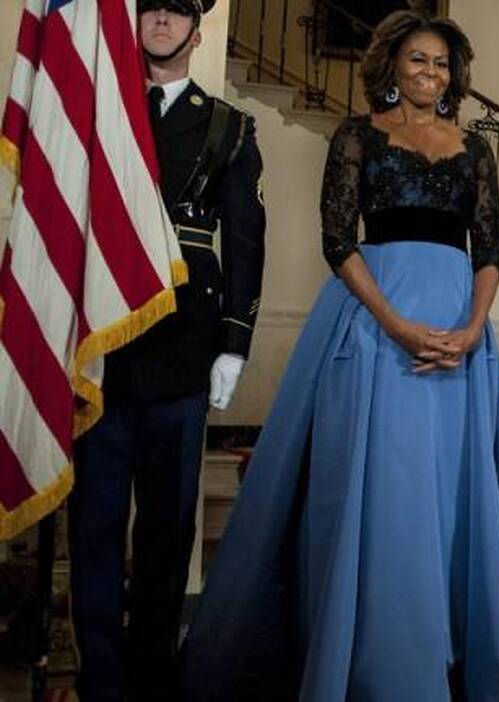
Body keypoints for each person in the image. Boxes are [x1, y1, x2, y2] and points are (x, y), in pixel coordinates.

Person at [179, 12, 499, 700]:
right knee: (383, 488)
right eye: (418, 60)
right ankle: (377, 657)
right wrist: (396, 324)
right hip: (376, 325)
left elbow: (491, 247)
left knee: (454, 490)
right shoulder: (358, 136)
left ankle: (457, 650)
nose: (430, 73)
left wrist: (473, 328)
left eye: (441, 64)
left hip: (460, 333)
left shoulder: (475, 149)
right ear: (391, 66)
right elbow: (337, 240)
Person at [67, 1, 265, 699]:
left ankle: (151, 674)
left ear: (195, 29)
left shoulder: (228, 127)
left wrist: (234, 346)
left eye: (177, 11)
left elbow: (243, 241)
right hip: (101, 351)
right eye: (150, 8)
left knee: (166, 531)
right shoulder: (97, 113)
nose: (161, 20)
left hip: (183, 350)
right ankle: (102, 677)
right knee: (91, 525)